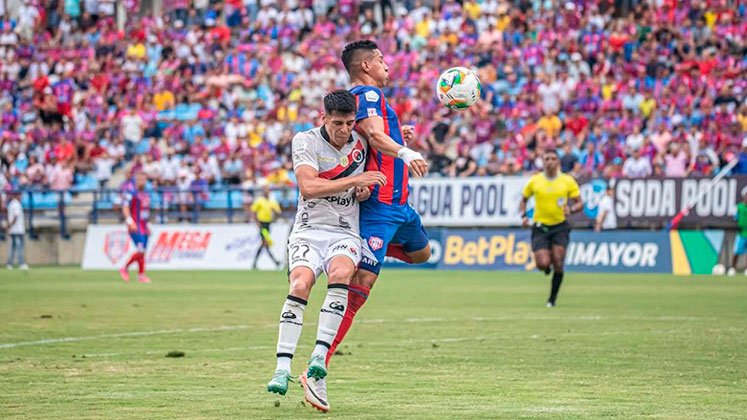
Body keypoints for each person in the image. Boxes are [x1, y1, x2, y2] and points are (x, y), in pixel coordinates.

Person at [307, 40, 431, 398]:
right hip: (379, 205)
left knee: (423, 254)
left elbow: (373, 135)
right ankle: (319, 366)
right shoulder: (367, 93)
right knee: (362, 285)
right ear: (365, 66)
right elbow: (374, 134)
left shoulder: (370, 99)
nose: (386, 65)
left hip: (400, 206)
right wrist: (405, 150)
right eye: (380, 59)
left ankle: (372, 251)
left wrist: (397, 136)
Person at [266, 90, 387, 412]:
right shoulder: (305, 141)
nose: (344, 130)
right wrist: (355, 179)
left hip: (344, 232)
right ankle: (282, 368)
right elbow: (309, 186)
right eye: (337, 123)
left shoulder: (360, 143)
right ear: (323, 119)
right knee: (300, 285)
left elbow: (366, 177)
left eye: (349, 123)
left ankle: (320, 354)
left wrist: (360, 189)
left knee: (342, 273)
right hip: (308, 229)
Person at [519, 149, 583, 307]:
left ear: (558, 162)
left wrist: (572, 209)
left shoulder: (567, 181)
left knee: (559, 262)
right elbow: (523, 200)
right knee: (543, 263)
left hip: (560, 226)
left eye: (553, 158)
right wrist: (524, 216)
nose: (550, 161)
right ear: (543, 161)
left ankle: (552, 299)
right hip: (540, 227)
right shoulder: (535, 181)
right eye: (547, 158)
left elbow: (580, 202)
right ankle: (546, 267)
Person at [119, 172, 151, 283]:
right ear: (136, 180)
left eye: (144, 179)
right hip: (136, 226)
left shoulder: (146, 193)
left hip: (144, 226)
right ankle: (125, 268)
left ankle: (141, 275)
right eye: (140, 179)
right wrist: (129, 221)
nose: (142, 181)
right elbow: (125, 207)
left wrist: (148, 224)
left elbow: (146, 210)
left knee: (143, 251)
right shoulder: (131, 192)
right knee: (141, 250)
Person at [250, 185, 281, 269]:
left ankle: (255, 263)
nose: (266, 192)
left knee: (264, 244)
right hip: (262, 224)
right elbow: (253, 212)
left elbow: (278, 213)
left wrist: (275, 214)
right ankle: (275, 261)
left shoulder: (272, 202)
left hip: (268, 224)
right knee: (265, 242)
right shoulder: (259, 201)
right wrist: (257, 223)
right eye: (265, 190)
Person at [6, 191, 28, 270]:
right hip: (18, 229)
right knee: (20, 247)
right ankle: (21, 263)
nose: (21, 197)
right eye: (20, 195)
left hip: (13, 230)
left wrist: (9, 226)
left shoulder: (11, 204)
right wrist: (10, 225)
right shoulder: (16, 204)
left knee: (12, 247)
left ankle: (9, 264)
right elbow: (15, 216)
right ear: (17, 195)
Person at [728, 192, 747, 276]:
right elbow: (735, 218)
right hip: (741, 233)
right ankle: (732, 268)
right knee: (737, 251)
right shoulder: (739, 207)